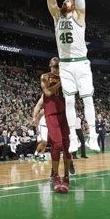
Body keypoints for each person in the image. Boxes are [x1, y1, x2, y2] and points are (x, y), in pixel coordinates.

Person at [45, 0, 100, 153]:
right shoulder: (56, 17)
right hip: (66, 66)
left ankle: (93, 136)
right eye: (65, 1)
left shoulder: (79, 16)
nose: (66, 1)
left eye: (69, 1)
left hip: (81, 64)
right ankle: (74, 138)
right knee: (68, 101)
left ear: (74, 6)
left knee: (87, 100)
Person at [41, 57, 71, 193]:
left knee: (67, 146)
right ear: (50, 65)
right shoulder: (45, 77)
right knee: (57, 144)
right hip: (51, 113)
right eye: (55, 66)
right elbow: (47, 92)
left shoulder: (67, 77)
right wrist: (61, 83)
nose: (57, 68)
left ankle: (66, 177)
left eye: (59, 66)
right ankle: (56, 176)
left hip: (65, 113)